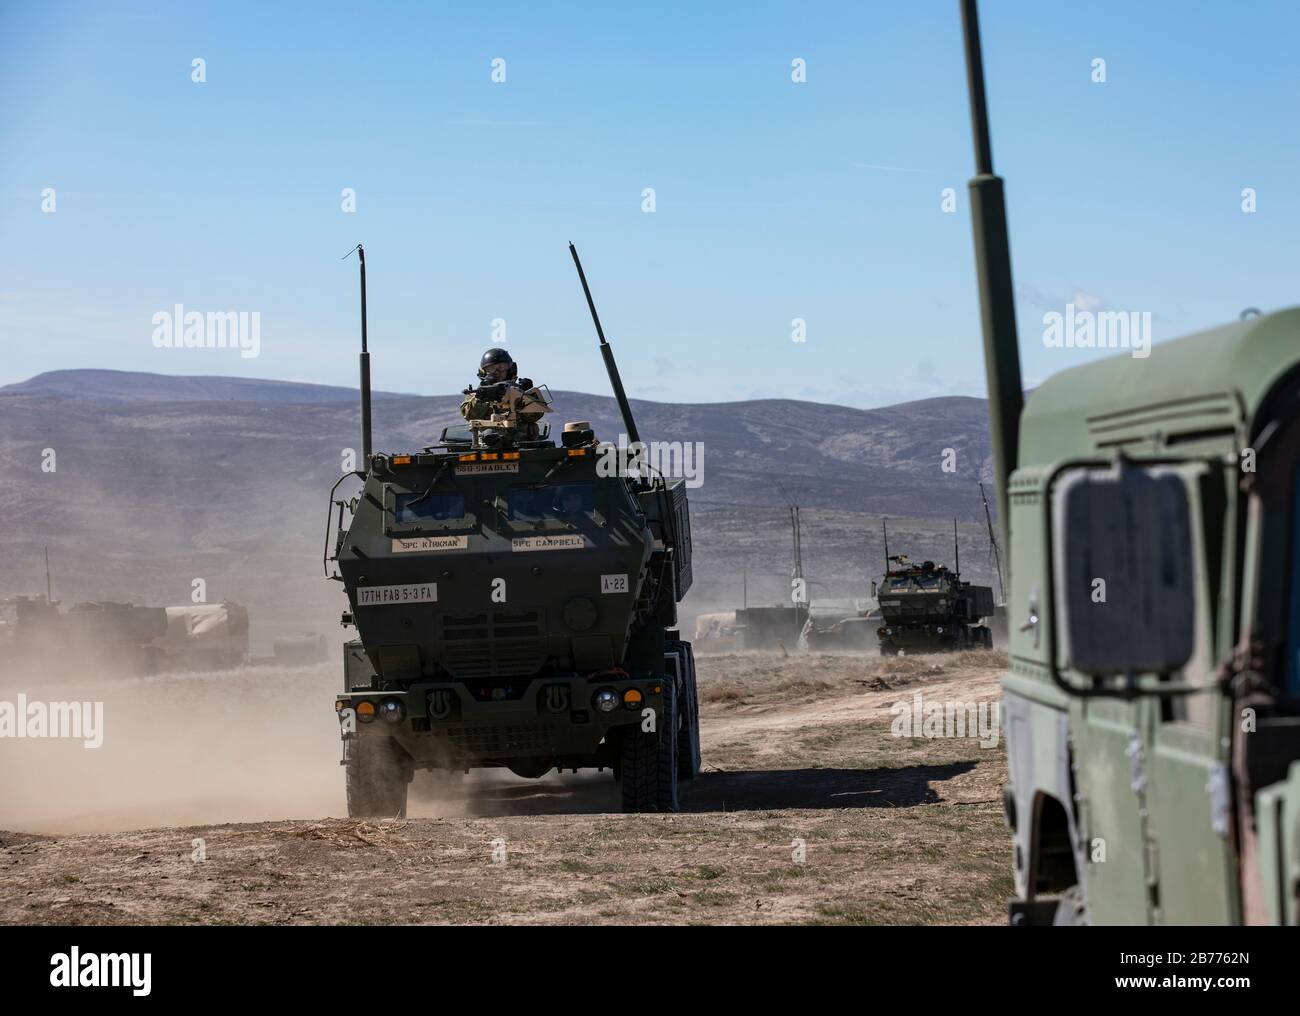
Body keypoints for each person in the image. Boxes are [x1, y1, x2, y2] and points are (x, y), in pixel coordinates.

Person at [460, 348, 544, 441]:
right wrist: (482, 396)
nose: (497, 372)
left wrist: (523, 398)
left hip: (524, 443)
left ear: (510, 368)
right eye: (491, 368)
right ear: (484, 371)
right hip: (488, 445)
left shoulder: (520, 390)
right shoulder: (476, 395)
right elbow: (469, 416)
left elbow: (536, 415)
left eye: (501, 367)